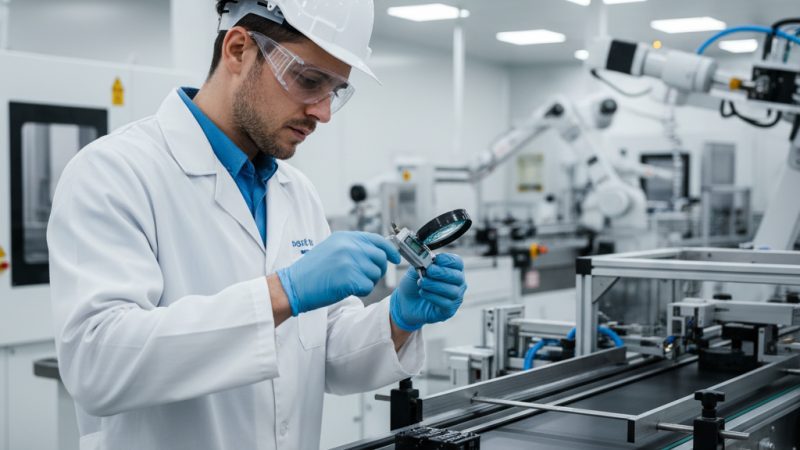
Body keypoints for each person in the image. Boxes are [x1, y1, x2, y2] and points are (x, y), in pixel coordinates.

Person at [46, 1, 467, 449]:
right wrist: (283, 292)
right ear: (238, 49)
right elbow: (97, 365)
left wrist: (396, 320)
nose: (323, 112)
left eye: (336, 91)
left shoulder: (295, 190)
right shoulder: (114, 172)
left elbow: (324, 355)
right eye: (309, 81)